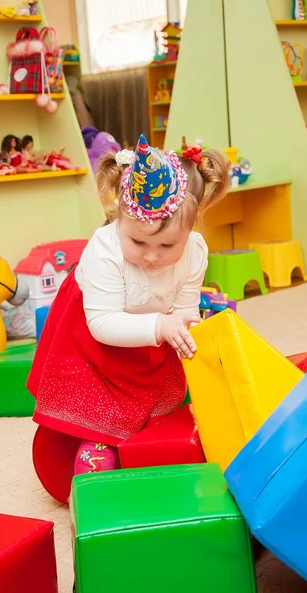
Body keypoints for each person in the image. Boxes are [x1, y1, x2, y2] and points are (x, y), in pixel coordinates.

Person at [28, 134, 229, 475]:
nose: (151, 256)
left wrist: (185, 329)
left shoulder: (195, 251)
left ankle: (142, 441)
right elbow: (103, 323)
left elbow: (185, 310)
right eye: (137, 241)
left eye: (168, 245)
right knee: (100, 407)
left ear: (190, 230)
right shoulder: (104, 250)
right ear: (118, 219)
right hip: (94, 341)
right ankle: (96, 446)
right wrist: (162, 326)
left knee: (160, 405)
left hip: (151, 338)